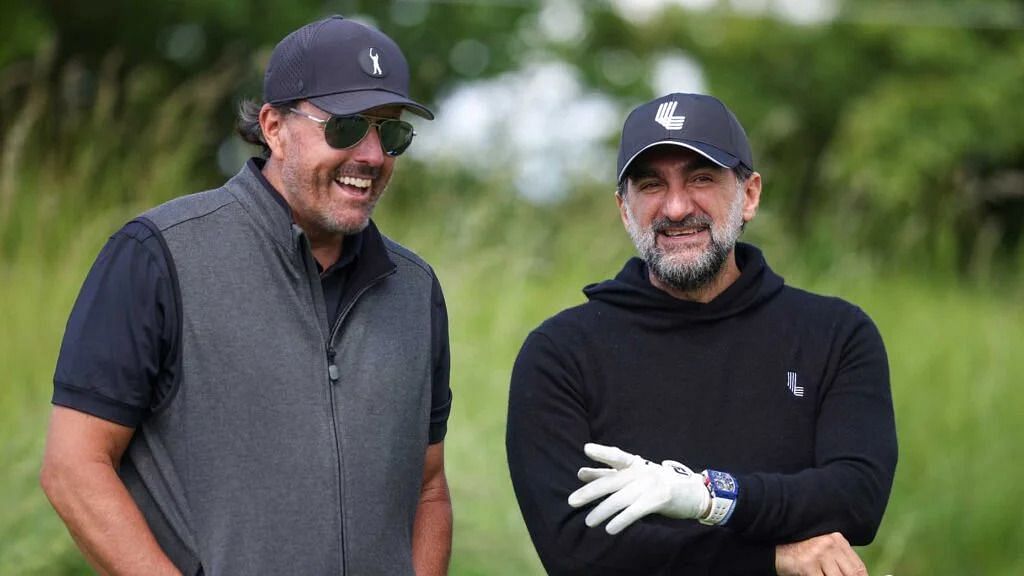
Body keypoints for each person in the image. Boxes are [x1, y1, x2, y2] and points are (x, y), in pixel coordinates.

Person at [40, 15, 452, 576]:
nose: (374, 156)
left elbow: (428, 488)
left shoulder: (416, 289)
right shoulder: (155, 256)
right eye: (348, 127)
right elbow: (73, 467)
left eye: (392, 131)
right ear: (274, 127)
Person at [506, 93, 897, 575]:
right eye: (651, 185)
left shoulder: (836, 335)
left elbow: (856, 498)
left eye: (701, 179)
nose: (675, 207)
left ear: (749, 195)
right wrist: (772, 557)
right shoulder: (560, 354)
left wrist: (708, 497)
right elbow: (578, 552)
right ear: (625, 209)